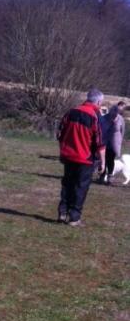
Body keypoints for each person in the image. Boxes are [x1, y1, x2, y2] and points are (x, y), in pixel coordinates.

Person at [57, 88, 104, 227]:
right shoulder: (95, 117)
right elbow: (99, 142)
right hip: (85, 159)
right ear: (98, 102)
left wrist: (62, 151)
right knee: (80, 188)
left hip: (68, 156)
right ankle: (74, 218)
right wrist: (102, 162)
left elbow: (60, 133)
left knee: (67, 185)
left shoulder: (71, 112)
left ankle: (62, 212)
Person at [98, 101, 126, 184]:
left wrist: (120, 141)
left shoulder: (121, 119)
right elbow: (100, 128)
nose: (114, 116)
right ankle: (102, 176)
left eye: (116, 114)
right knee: (103, 159)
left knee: (110, 160)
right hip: (104, 141)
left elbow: (122, 131)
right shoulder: (104, 118)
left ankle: (110, 177)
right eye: (113, 113)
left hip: (114, 143)